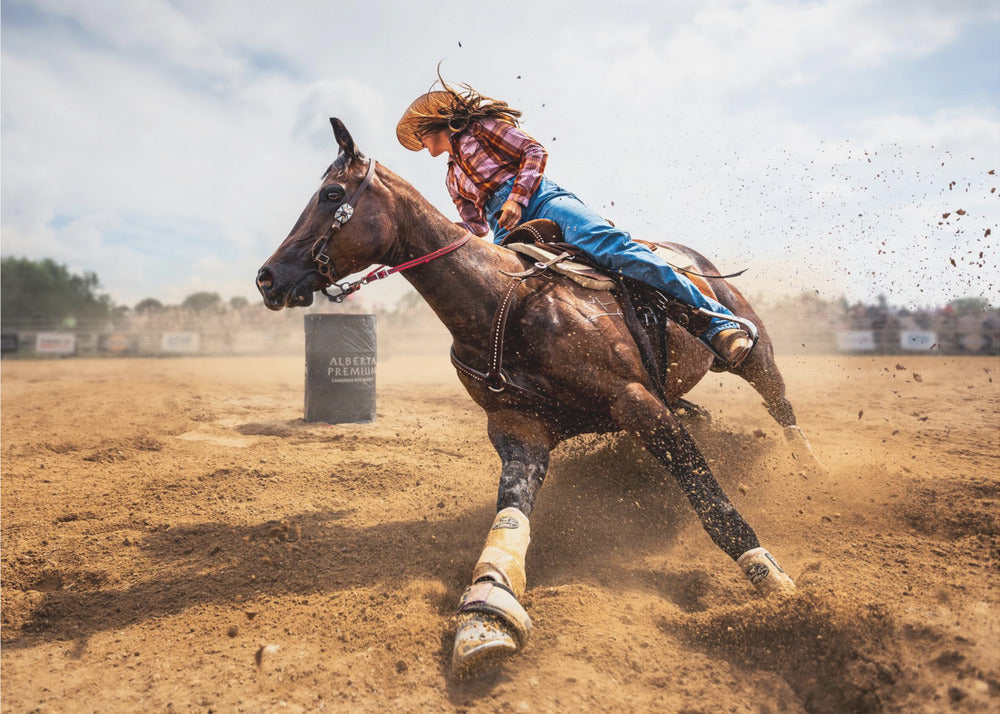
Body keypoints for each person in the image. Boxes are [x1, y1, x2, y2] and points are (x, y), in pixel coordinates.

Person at [396, 78, 754, 368]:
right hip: (504, 226)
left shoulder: (483, 128)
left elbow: (534, 153)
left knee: (612, 249)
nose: (419, 142)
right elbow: (475, 226)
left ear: (435, 124)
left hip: (543, 200)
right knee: (507, 296)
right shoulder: (452, 178)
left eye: (420, 134)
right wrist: (449, 236)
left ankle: (719, 324)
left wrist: (518, 198)